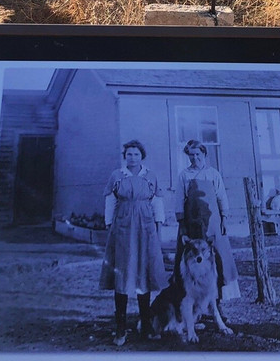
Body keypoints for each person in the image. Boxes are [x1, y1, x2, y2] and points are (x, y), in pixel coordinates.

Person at [99, 139, 167, 346]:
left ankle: (145, 326)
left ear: (142, 156)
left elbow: (157, 203)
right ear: (125, 156)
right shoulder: (117, 176)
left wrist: (158, 225)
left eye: (136, 154)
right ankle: (120, 329)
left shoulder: (150, 176)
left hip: (145, 228)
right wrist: (109, 224)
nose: (132, 158)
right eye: (129, 154)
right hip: (123, 227)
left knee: (143, 275)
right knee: (122, 274)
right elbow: (110, 201)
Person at [175, 140, 240, 301]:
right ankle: (193, 302)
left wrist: (224, 219)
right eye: (191, 155)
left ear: (204, 155)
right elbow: (178, 201)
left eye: (198, 154)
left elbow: (221, 197)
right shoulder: (184, 175)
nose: (195, 158)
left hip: (213, 223)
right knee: (192, 261)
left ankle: (218, 302)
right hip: (192, 224)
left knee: (218, 258)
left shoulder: (213, 174)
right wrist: (182, 224)